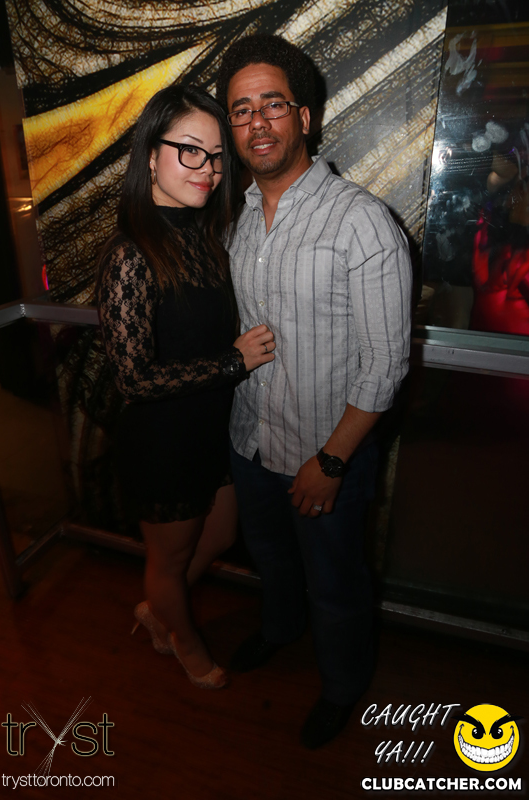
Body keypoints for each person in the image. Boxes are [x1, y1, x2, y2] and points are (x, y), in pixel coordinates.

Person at [216, 36, 412, 744]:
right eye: (241, 110)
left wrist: (331, 461)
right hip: (251, 442)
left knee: (335, 584)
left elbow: (386, 363)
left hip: (326, 453)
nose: (257, 122)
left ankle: (342, 685)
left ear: (303, 117)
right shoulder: (237, 220)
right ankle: (279, 629)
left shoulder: (361, 220)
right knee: (271, 562)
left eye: (272, 104)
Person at [96, 85, 275, 690]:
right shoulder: (130, 254)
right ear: (151, 155)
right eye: (190, 150)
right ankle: (183, 639)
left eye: (217, 155)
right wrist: (232, 362)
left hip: (207, 429)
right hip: (161, 442)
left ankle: (160, 609)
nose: (208, 169)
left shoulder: (202, 238)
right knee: (168, 560)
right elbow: (132, 378)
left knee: (221, 533)